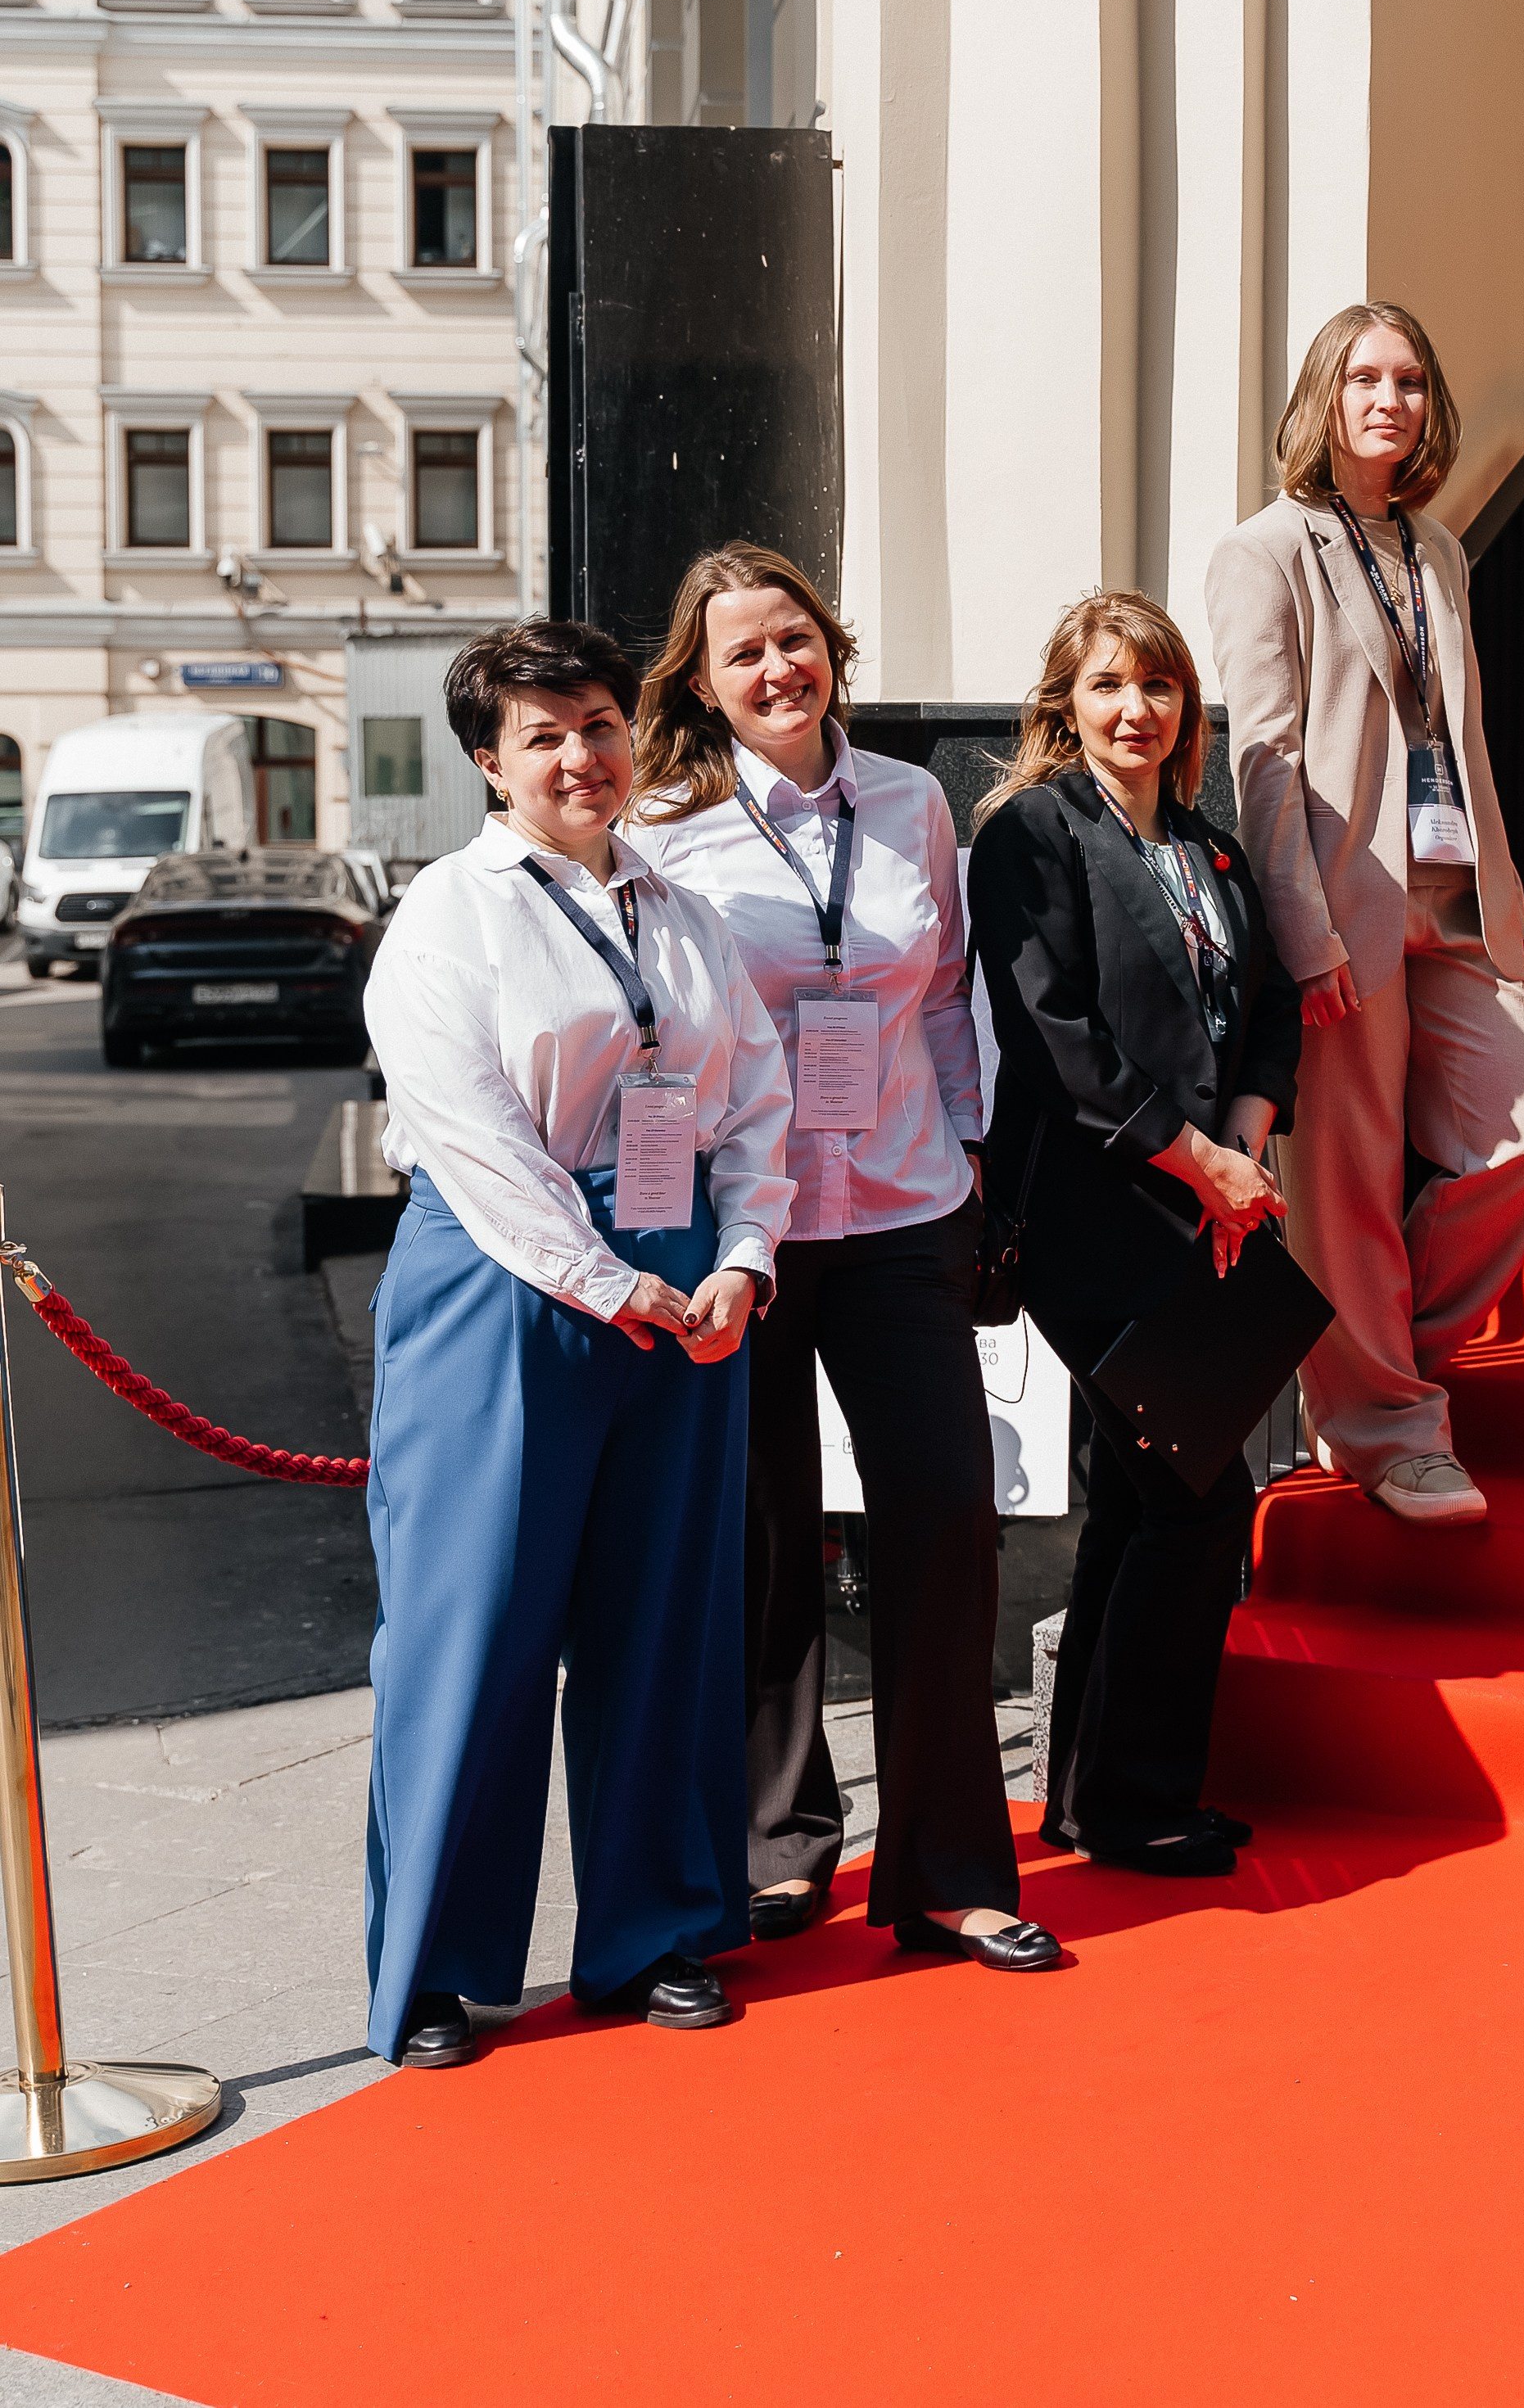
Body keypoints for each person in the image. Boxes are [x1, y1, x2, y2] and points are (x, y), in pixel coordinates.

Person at [360, 619, 794, 2067]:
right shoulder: (447, 915)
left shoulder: (680, 910)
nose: (577, 756)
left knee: (665, 1620)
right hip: (507, 1279)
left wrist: (742, 1256)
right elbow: (472, 1140)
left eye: (598, 724)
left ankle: (653, 1930)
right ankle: (435, 1967)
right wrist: (600, 1279)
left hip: (681, 1281)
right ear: (488, 762)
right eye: (540, 735)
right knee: (472, 1628)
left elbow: (754, 1102)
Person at [630, 542, 1059, 1974]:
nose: (777, 669)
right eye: (743, 651)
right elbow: (647, 1035)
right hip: (744, 1229)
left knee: (944, 1522)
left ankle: (946, 1869)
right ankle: (778, 1839)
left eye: (795, 639)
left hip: (901, 1213)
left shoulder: (909, 800)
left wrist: (962, 1145)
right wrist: (653, 1218)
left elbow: (941, 994)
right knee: (763, 1545)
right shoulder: (664, 825)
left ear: (834, 647)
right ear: (700, 679)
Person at [1205, 303, 1524, 1526]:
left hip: (1457, 890)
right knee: (1347, 1182)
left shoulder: (1440, 549)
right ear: (1322, 397)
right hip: (1343, 900)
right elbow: (1260, 760)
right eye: (1363, 377)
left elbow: (1457, 735)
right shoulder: (1265, 550)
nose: (1389, 400)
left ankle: (1357, 1343)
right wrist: (1300, 934)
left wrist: (1503, 902)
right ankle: (1385, 1433)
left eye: (1409, 379)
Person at [966, 591, 1300, 1877]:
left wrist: (1246, 1155)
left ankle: (1089, 1795)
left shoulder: (1210, 853)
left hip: (1211, 1214)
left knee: (1139, 1500)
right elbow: (1058, 1043)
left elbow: (1265, 1014)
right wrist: (1202, 1159)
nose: (1134, 710)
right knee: (1197, 1500)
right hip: (1094, 1214)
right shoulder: (1029, 836)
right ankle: (1137, 1799)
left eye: (1157, 687)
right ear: (1065, 704)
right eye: (1108, 685)